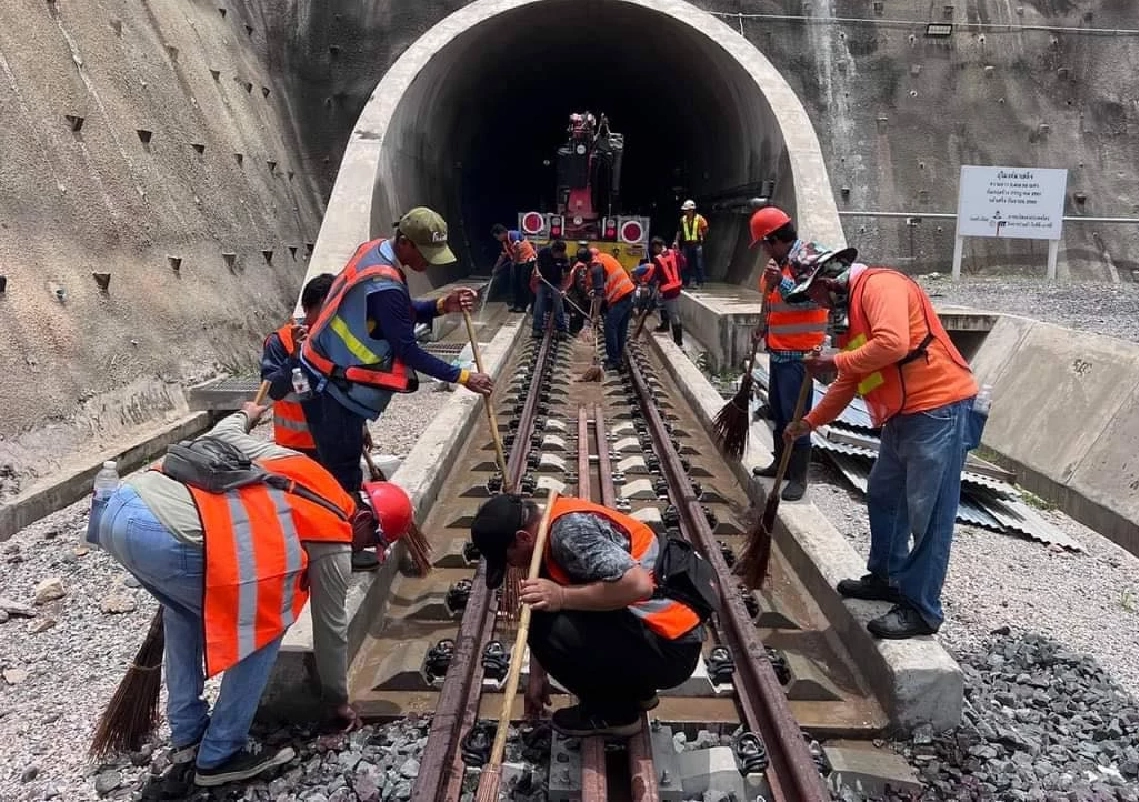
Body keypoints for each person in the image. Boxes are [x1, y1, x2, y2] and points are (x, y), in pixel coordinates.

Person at [97, 404, 415, 787]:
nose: (361, 551)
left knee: (181, 613)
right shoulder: (334, 538)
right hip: (166, 537)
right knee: (265, 626)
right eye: (370, 544)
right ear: (364, 521)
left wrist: (245, 414)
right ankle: (220, 753)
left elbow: (224, 436)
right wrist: (337, 700)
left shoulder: (303, 468)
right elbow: (331, 631)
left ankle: (187, 736)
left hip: (122, 506)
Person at [783, 246, 979, 640]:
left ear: (827, 279)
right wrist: (810, 422)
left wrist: (833, 360)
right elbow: (852, 380)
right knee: (884, 495)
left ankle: (921, 609)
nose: (814, 302)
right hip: (902, 416)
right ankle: (887, 576)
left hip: (938, 410)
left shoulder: (880, 286)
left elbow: (893, 345)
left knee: (929, 512)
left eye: (813, 293)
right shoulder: (853, 315)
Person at [470, 494, 703, 738]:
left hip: (671, 650)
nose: (512, 566)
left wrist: (561, 596)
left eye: (507, 559)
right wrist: (537, 675)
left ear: (523, 538)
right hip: (661, 636)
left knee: (543, 621)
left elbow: (638, 586)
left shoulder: (567, 534)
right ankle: (638, 692)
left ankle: (615, 713)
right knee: (544, 604)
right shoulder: (551, 520)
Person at [301, 208, 493, 499]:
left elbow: (395, 314)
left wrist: (442, 305)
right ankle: (344, 537)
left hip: (330, 373)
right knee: (342, 479)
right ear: (405, 242)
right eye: (425, 253)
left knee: (341, 470)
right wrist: (464, 377)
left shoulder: (375, 253)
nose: (428, 261)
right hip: (332, 388)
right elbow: (408, 350)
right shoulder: (384, 283)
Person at [746, 209, 830, 501]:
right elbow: (774, 304)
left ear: (775, 239)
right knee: (780, 412)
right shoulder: (777, 264)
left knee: (797, 415)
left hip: (800, 354)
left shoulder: (807, 261)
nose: (764, 250)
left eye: (764, 243)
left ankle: (798, 477)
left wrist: (780, 282)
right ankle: (778, 461)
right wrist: (764, 329)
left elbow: (808, 300)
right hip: (779, 351)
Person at [259, 273, 335, 457]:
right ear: (306, 308)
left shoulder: (339, 339)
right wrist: (295, 357)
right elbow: (274, 391)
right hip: (296, 447)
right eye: (326, 309)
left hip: (337, 440)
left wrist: (361, 428)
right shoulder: (281, 342)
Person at [580, 247, 635, 370]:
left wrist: (595, 316)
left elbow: (599, 295)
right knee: (620, 328)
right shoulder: (604, 257)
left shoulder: (595, 268)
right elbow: (607, 280)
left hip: (620, 296)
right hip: (628, 292)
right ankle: (617, 357)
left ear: (586, 262)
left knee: (609, 327)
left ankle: (614, 360)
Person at [645, 237, 684, 346]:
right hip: (676, 287)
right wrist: (678, 251)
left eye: (654, 248)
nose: (654, 251)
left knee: (673, 314)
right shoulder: (674, 252)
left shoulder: (658, 258)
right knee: (662, 305)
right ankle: (665, 326)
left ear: (657, 246)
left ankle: (678, 341)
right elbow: (684, 264)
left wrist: (654, 288)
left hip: (668, 289)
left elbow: (658, 276)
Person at [491, 225, 536, 313]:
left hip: (527, 260)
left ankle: (526, 305)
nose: (497, 239)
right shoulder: (504, 243)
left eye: (497, 237)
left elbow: (518, 249)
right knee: (516, 283)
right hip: (518, 263)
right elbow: (503, 256)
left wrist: (514, 261)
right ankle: (517, 305)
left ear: (502, 233)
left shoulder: (513, 234)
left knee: (524, 283)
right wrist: (496, 267)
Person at [532, 239, 569, 339]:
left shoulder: (564, 257)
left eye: (560, 254)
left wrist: (564, 289)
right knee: (539, 304)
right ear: (552, 250)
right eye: (556, 254)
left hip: (556, 283)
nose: (558, 256)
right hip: (543, 281)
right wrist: (537, 272)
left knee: (558, 304)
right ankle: (537, 328)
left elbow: (566, 275)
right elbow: (536, 264)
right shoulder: (543, 252)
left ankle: (561, 328)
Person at [673, 200, 708, 289]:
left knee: (698, 264)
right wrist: (676, 241)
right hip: (686, 245)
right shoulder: (683, 219)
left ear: (692, 210)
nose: (685, 212)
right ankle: (685, 282)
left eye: (687, 210)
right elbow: (679, 232)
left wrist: (701, 237)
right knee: (685, 264)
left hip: (696, 245)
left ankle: (699, 283)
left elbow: (705, 228)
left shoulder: (700, 219)